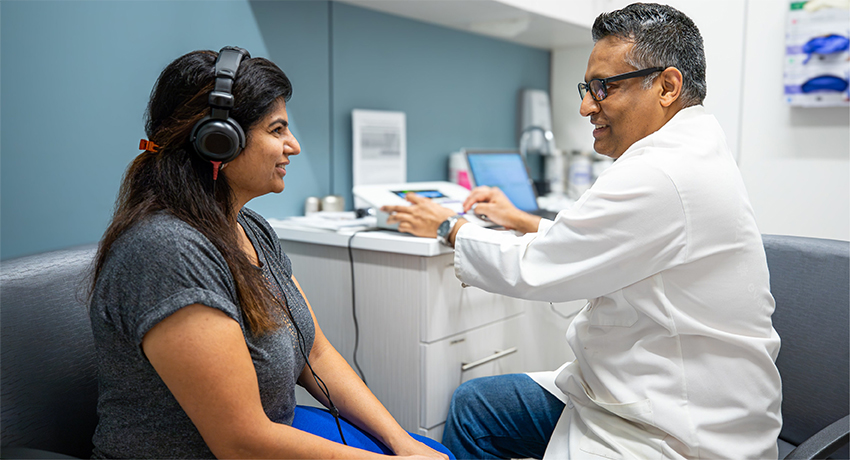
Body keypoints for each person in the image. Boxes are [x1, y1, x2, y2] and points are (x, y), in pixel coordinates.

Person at [382, 3, 782, 459]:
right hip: (652, 388)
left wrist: (448, 226)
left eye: (603, 87)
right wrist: (523, 220)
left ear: (667, 86)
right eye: (587, 87)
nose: (586, 105)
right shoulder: (692, 150)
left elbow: (535, 268)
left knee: (477, 410)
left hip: (674, 427)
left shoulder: (660, 173)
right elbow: (616, 241)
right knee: (477, 406)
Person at [88, 47, 453, 460]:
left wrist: (404, 444)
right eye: (277, 130)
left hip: (270, 435)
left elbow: (315, 352)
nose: (292, 145)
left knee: (432, 450)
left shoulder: (250, 227)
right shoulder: (165, 253)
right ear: (218, 142)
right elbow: (240, 443)